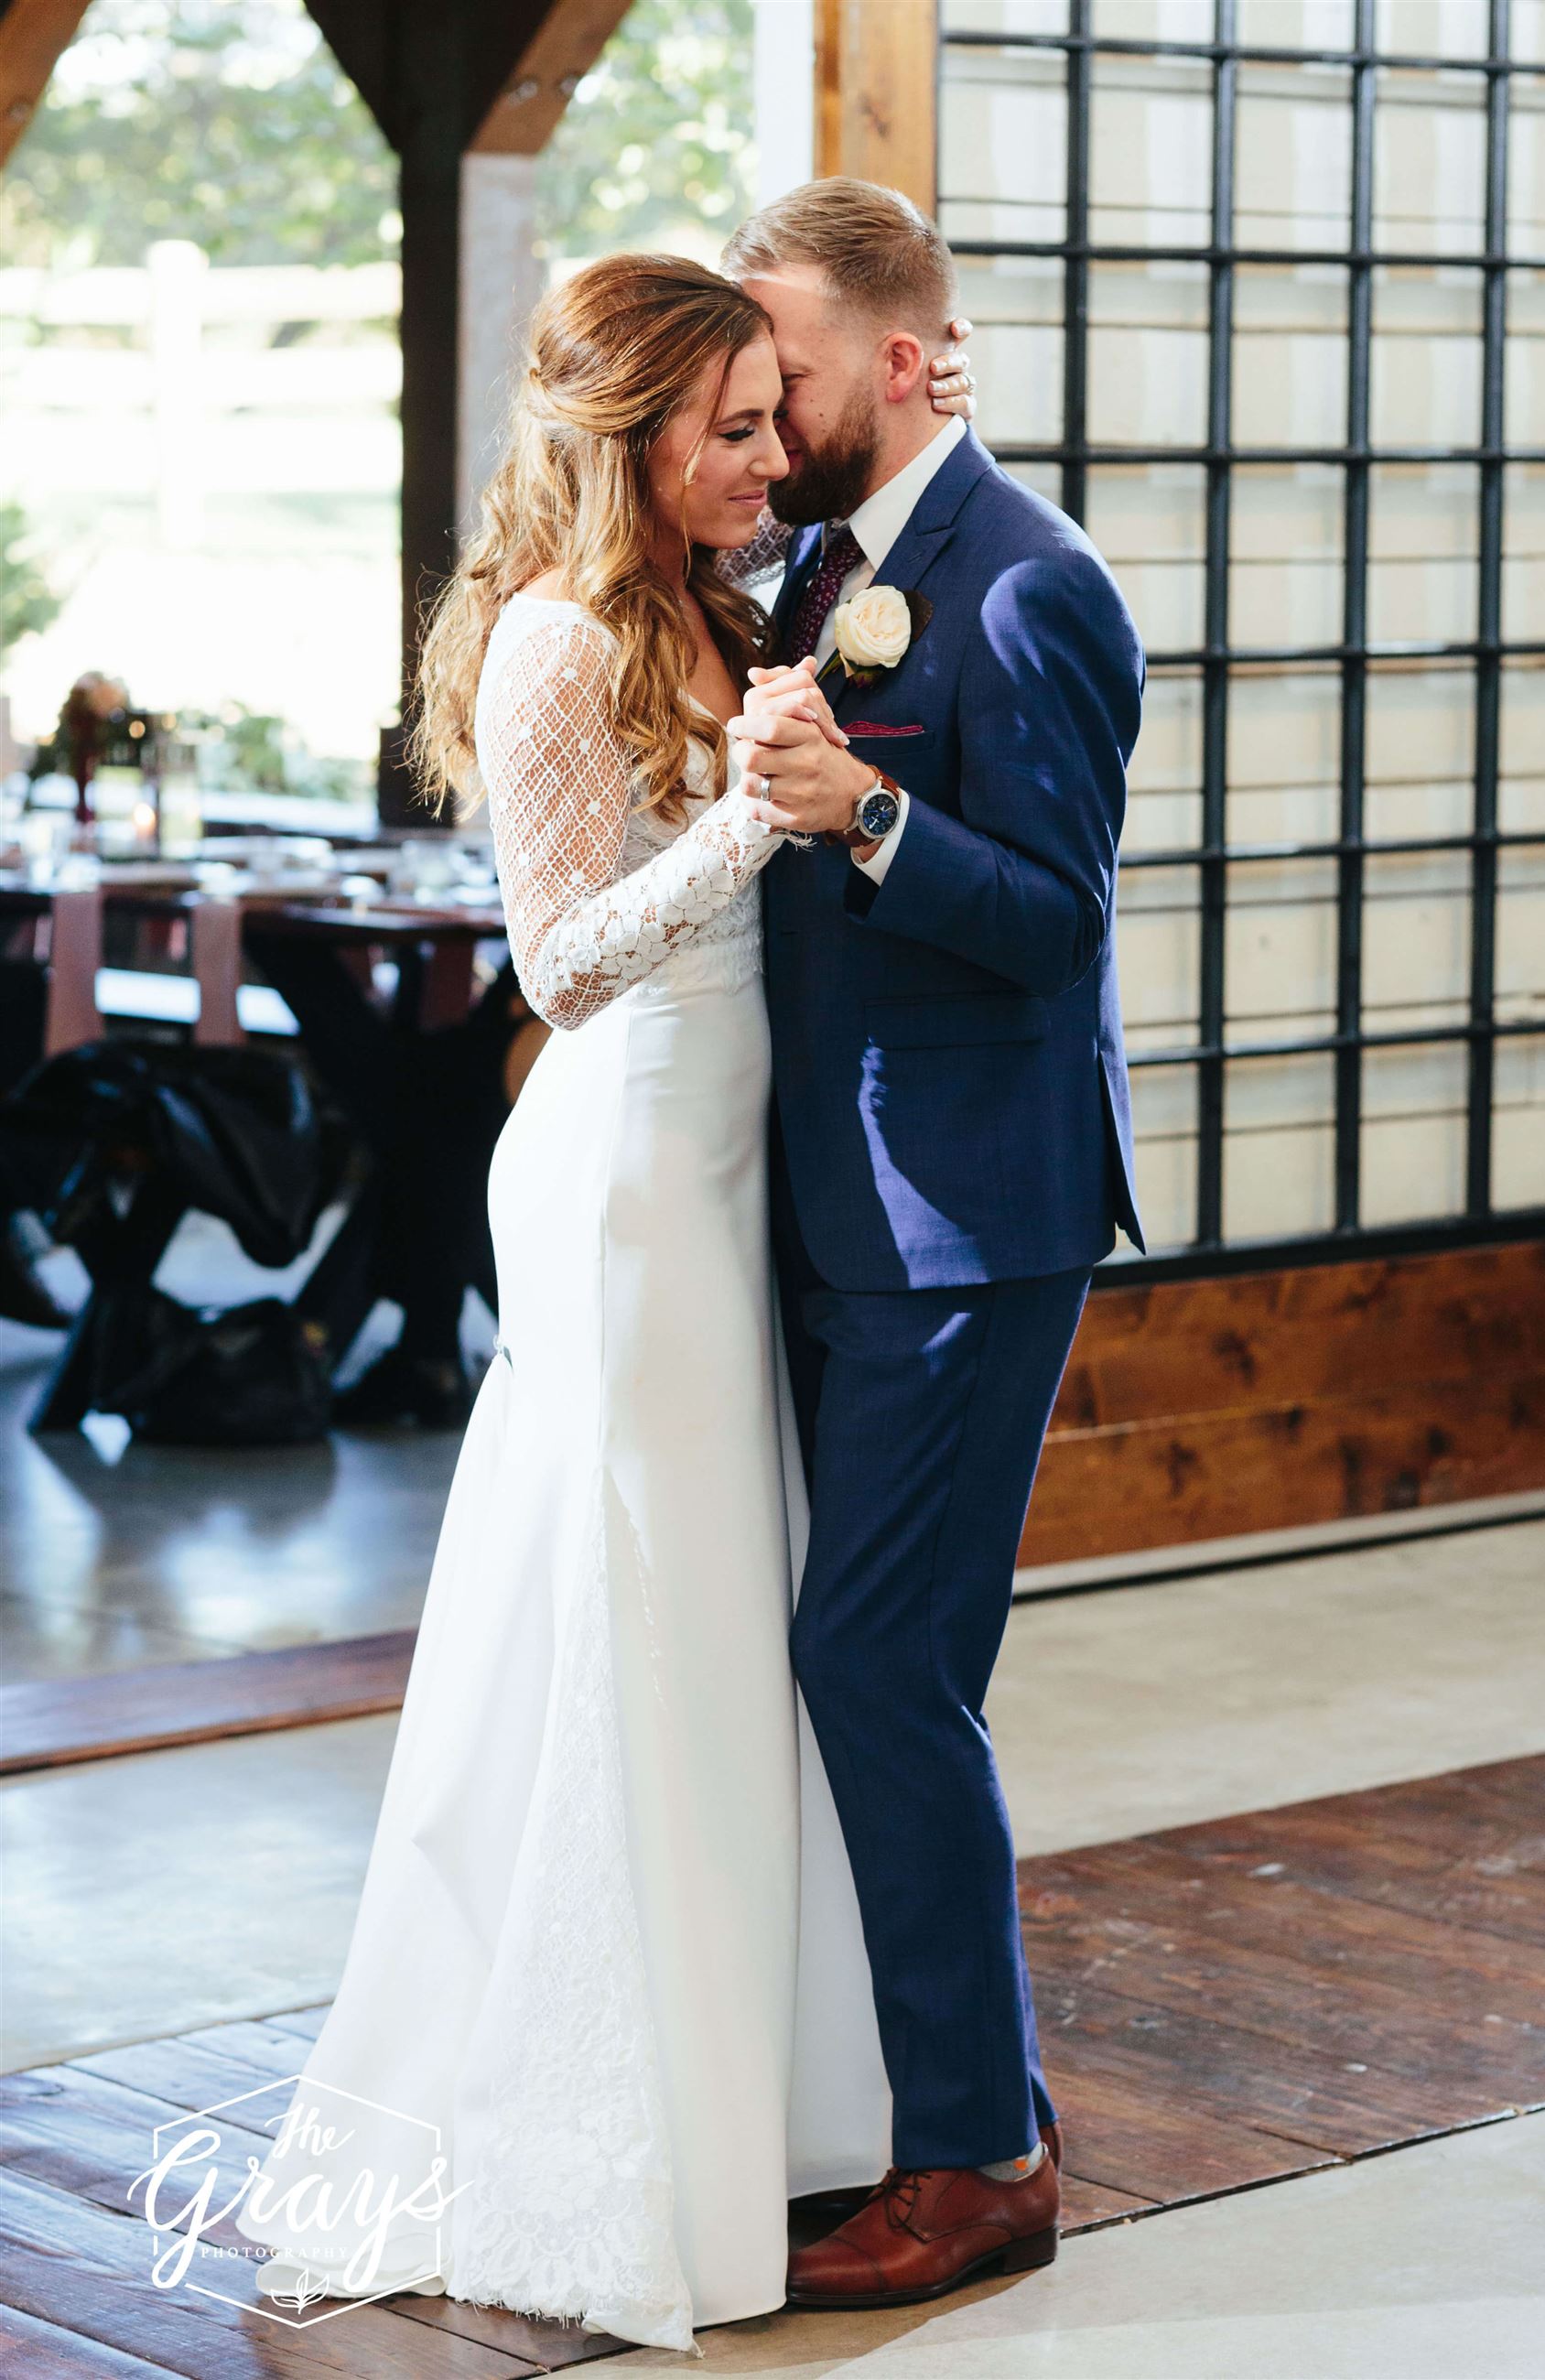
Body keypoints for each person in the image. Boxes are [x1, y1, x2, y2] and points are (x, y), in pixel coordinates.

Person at [232, 251, 975, 2356]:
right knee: (632, 1617)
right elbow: (557, 966)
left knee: (735, 1606)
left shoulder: (714, 602)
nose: (769, 459)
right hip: (631, 1164)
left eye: (771, 416)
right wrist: (754, 816)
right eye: (730, 427)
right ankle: (593, 2126)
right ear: (627, 439)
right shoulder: (562, 640)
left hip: (730, 1161)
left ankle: (761, 2092)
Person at [711, 178, 1148, 2309]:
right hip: (824, 1197)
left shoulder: (1028, 584)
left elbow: (1062, 919)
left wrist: (866, 817)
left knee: (875, 1660)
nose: (755, 410)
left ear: (898, 361)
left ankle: (977, 2156)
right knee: (894, 1673)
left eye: (778, 371)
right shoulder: (808, 560)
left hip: (968, 1214)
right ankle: (950, 2103)